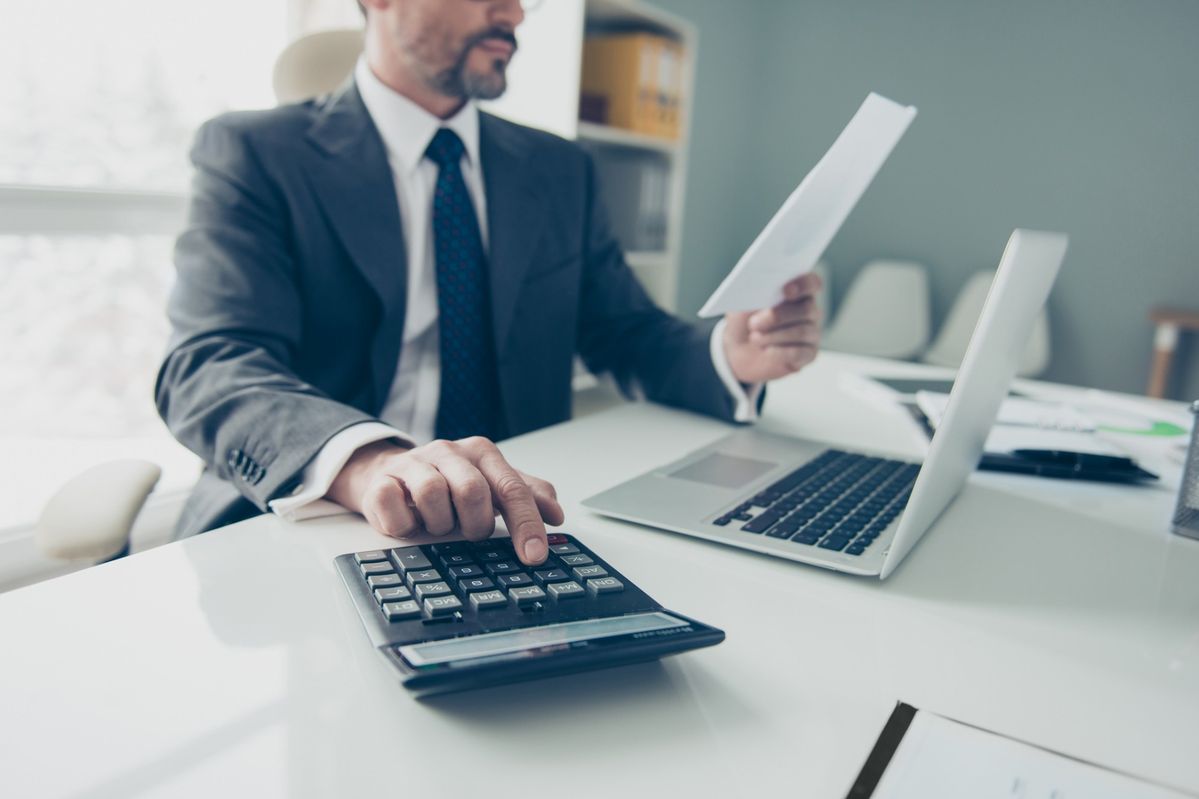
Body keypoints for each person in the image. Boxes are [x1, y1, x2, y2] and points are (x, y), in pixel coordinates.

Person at [156, 0, 822, 567]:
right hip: (311, 518)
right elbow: (208, 363)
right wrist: (367, 462)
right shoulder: (255, 153)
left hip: (510, 525)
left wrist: (730, 355)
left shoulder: (559, 170)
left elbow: (623, 330)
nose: (514, 12)